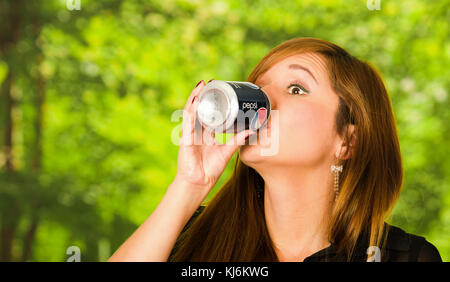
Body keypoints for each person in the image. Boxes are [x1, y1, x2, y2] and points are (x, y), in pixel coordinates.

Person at [108, 37, 442, 262]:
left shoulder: (405, 256)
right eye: (259, 86)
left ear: (347, 140)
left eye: (296, 88)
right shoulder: (190, 237)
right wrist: (188, 186)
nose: (263, 102)